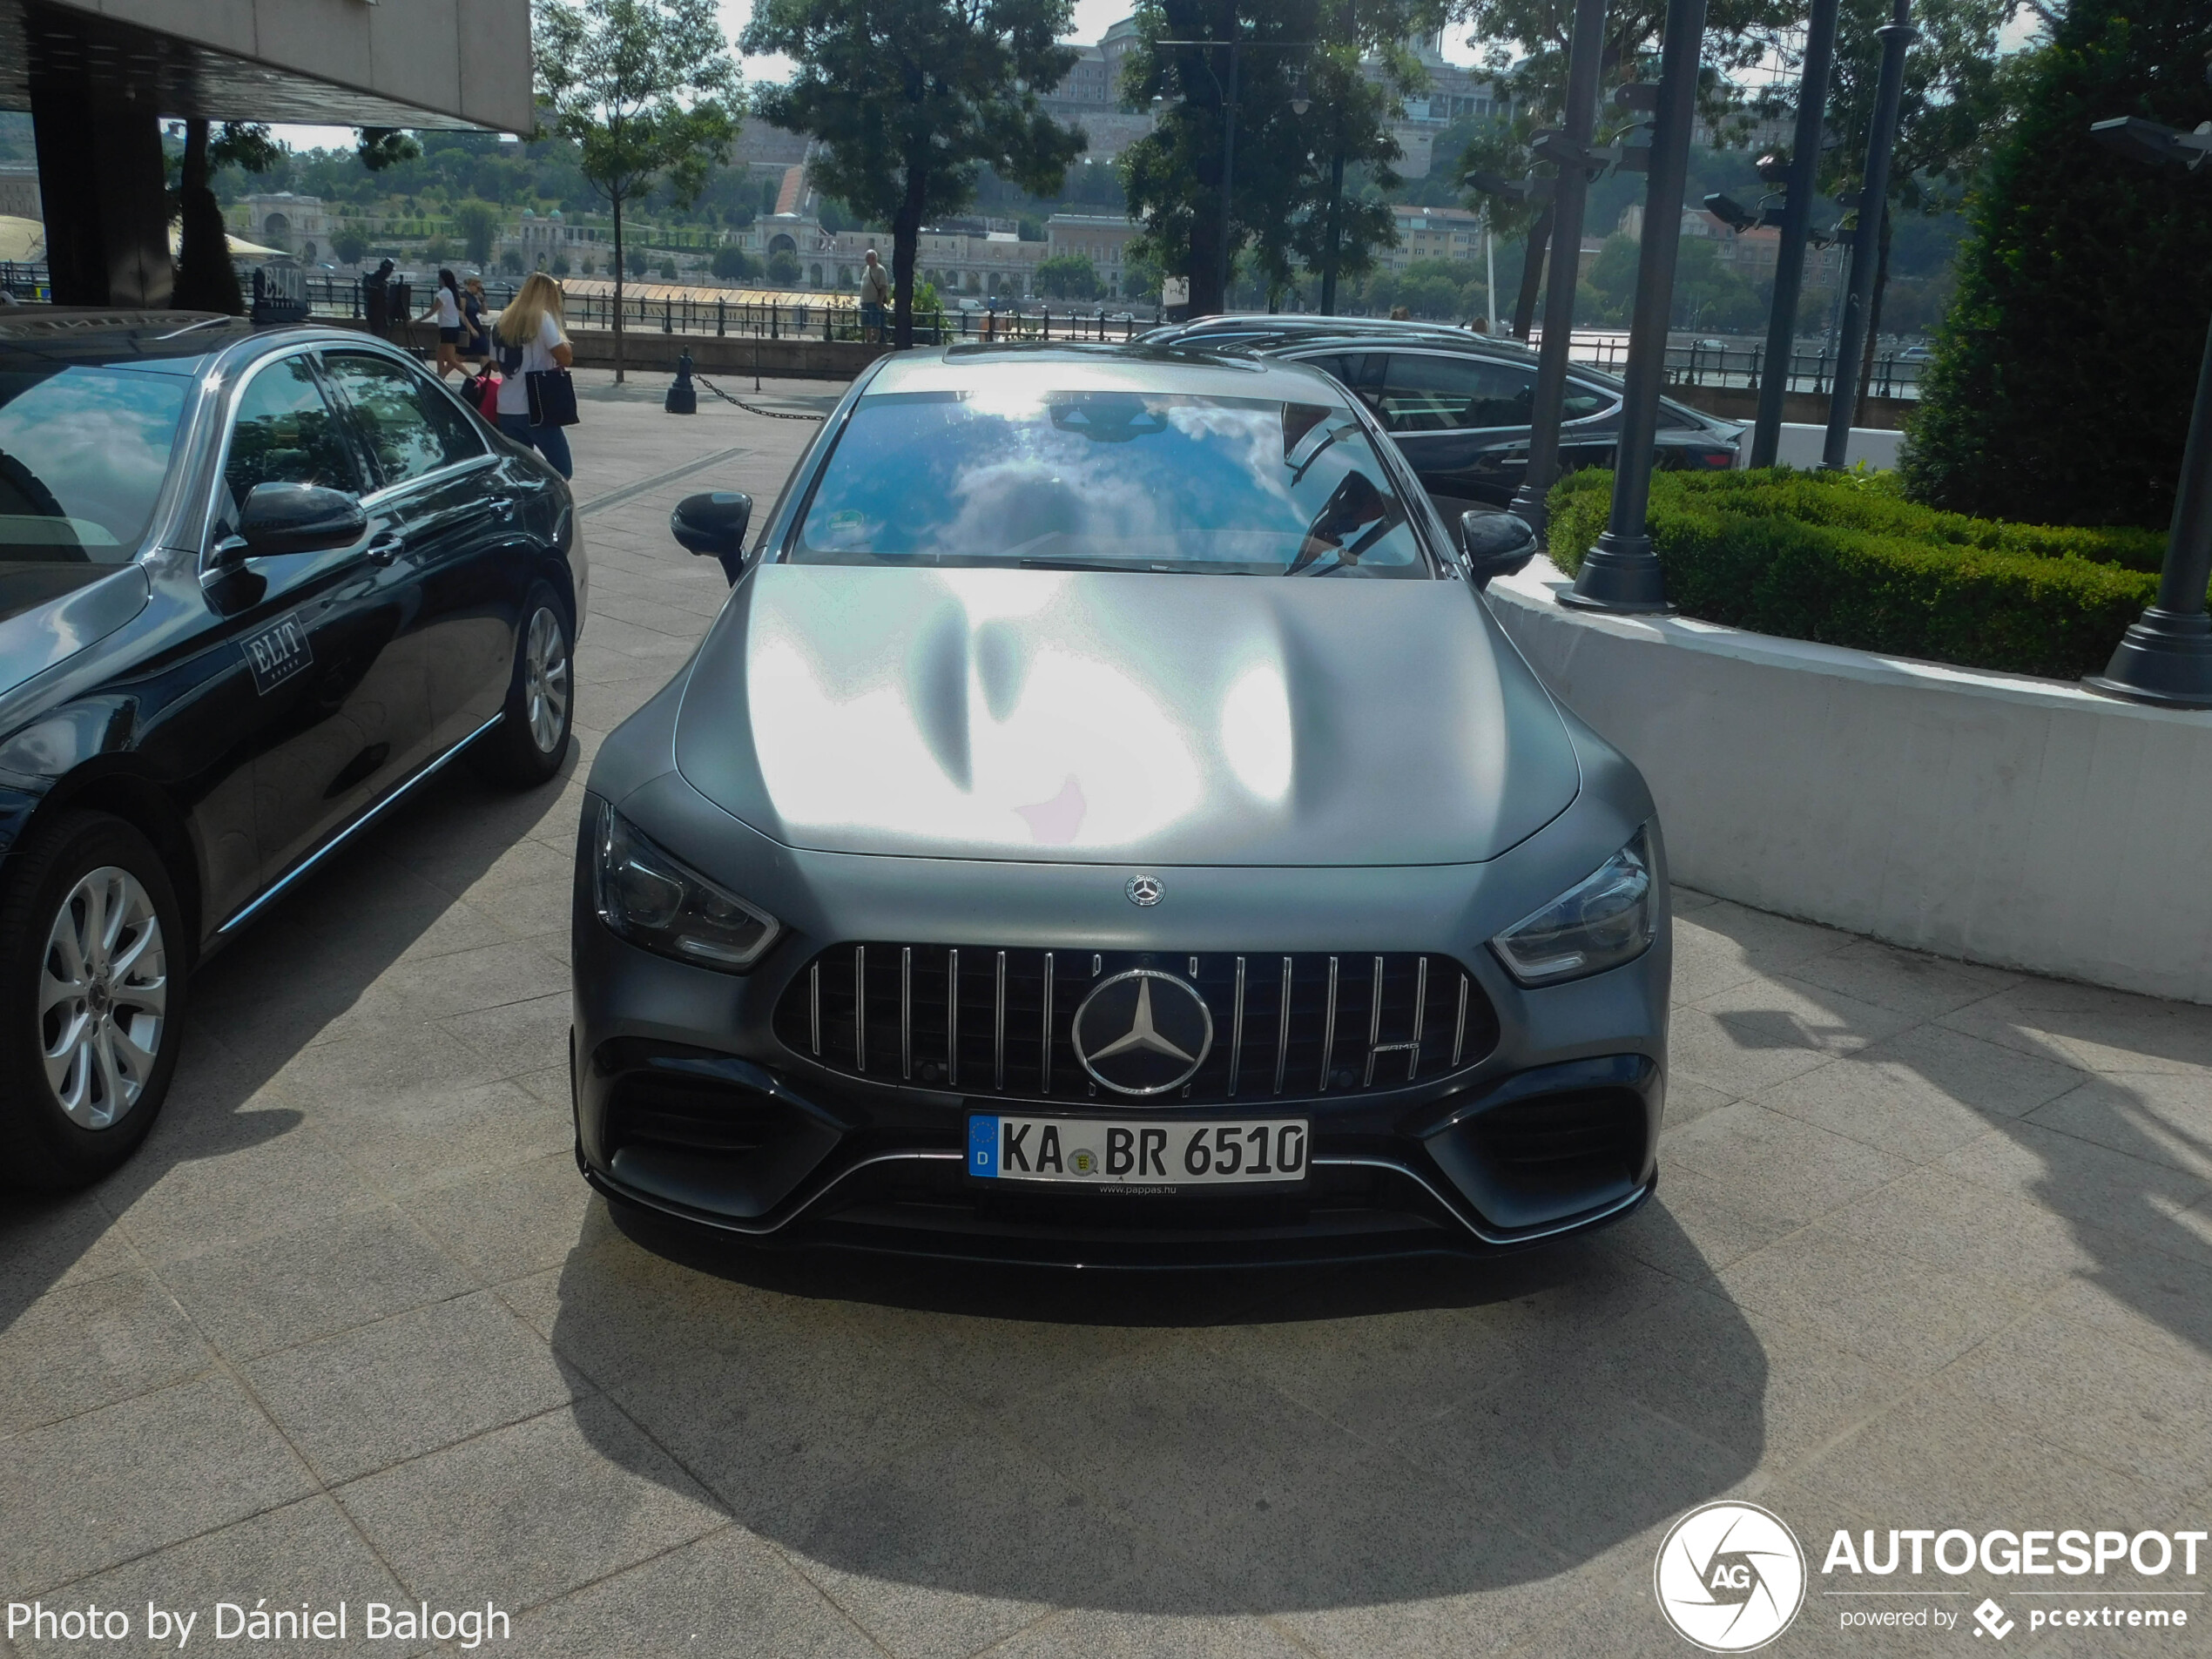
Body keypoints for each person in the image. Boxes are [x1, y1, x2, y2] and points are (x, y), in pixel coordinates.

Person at [492, 272, 576, 480]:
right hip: (537, 407)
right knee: (562, 470)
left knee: (520, 470)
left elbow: (494, 364)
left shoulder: (501, 321)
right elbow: (565, 357)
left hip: (506, 408)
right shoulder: (542, 318)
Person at [421, 268, 465, 379]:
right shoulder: (452, 293)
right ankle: (440, 377)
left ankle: (472, 378)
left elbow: (432, 311)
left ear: (442, 279)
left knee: (451, 359)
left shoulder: (443, 293)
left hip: (448, 329)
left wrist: (416, 321)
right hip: (452, 328)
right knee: (439, 354)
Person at [859, 247, 891, 343]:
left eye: (868, 258)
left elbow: (884, 287)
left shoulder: (880, 270)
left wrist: (879, 301)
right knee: (866, 323)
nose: (866, 260)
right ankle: (868, 340)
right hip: (865, 301)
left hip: (874, 302)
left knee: (875, 323)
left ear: (873, 258)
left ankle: (877, 341)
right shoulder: (867, 269)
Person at [462, 276, 492, 365]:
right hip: (469, 325)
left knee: (485, 351)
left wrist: (483, 300)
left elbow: (484, 312)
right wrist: (471, 329)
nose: (479, 290)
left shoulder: (474, 298)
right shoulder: (464, 296)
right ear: (471, 285)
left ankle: (484, 375)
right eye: (478, 288)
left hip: (476, 324)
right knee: (461, 355)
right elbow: (462, 314)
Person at [362, 259, 395, 337]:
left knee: (383, 333)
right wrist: (378, 290)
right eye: (388, 271)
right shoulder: (370, 277)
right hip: (372, 311)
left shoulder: (385, 284)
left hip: (383, 314)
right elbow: (366, 288)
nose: (388, 274)